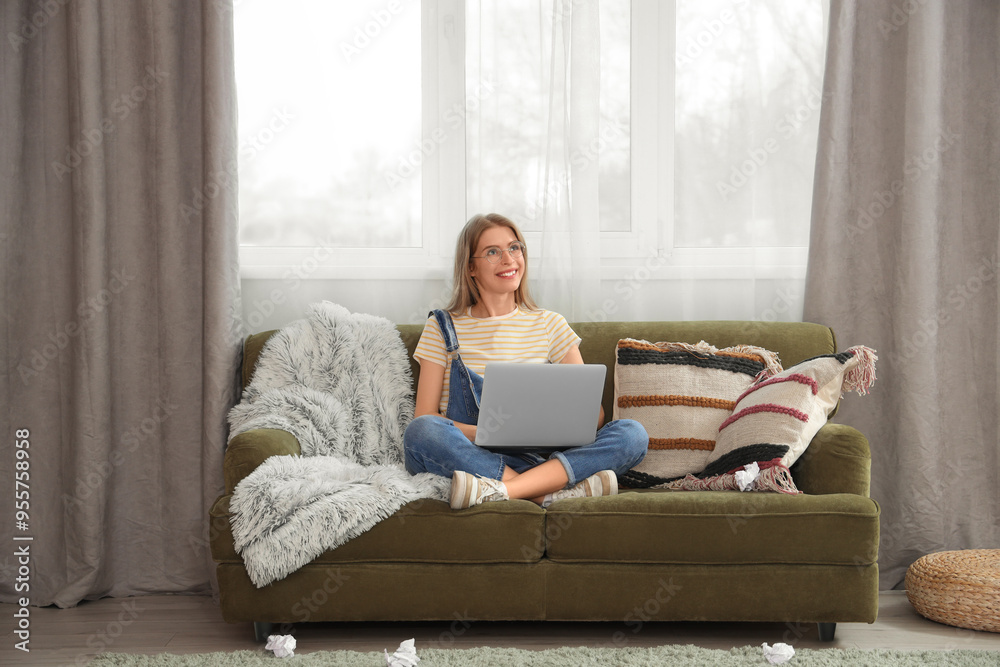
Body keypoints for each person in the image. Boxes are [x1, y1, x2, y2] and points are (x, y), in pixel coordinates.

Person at [403, 212, 648, 510]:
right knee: (422, 432)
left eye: (514, 247)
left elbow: (592, 416)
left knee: (632, 434)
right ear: (470, 267)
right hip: (475, 453)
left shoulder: (550, 324)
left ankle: (501, 490)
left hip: (546, 454)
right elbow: (425, 416)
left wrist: (547, 428)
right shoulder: (441, 327)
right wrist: (489, 432)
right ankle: (545, 491)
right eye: (493, 252)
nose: (508, 259)